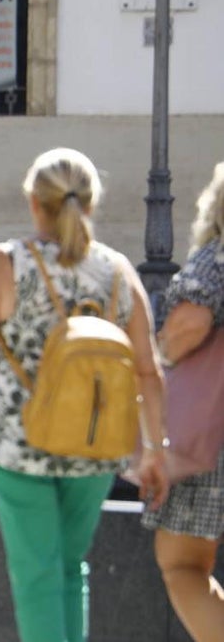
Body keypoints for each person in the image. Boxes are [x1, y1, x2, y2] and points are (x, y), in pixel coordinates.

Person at [0, 148, 169, 642]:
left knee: (36, 573)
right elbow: (147, 369)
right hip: (95, 447)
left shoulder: (7, 264)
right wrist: (156, 450)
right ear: (91, 204)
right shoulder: (118, 271)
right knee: (71, 569)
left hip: (19, 444)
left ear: (34, 202)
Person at [142, 161, 224, 641]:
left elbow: (190, 324)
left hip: (210, 439)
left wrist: (158, 359)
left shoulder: (216, 260)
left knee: (183, 564)